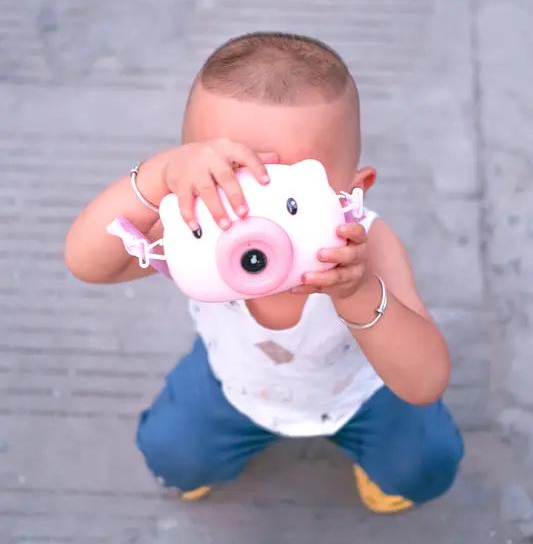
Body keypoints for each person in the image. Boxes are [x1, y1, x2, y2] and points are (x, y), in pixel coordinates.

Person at [64, 32, 464, 512]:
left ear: (354, 193)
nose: (254, 221)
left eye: (290, 197)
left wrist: (357, 292)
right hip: (234, 387)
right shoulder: (192, 233)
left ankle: (388, 467)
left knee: (426, 464)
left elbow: (424, 382)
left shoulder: (369, 246)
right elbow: (88, 265)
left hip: (360, 397)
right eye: (228, 179)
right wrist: (153, 179)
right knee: (170, 452)